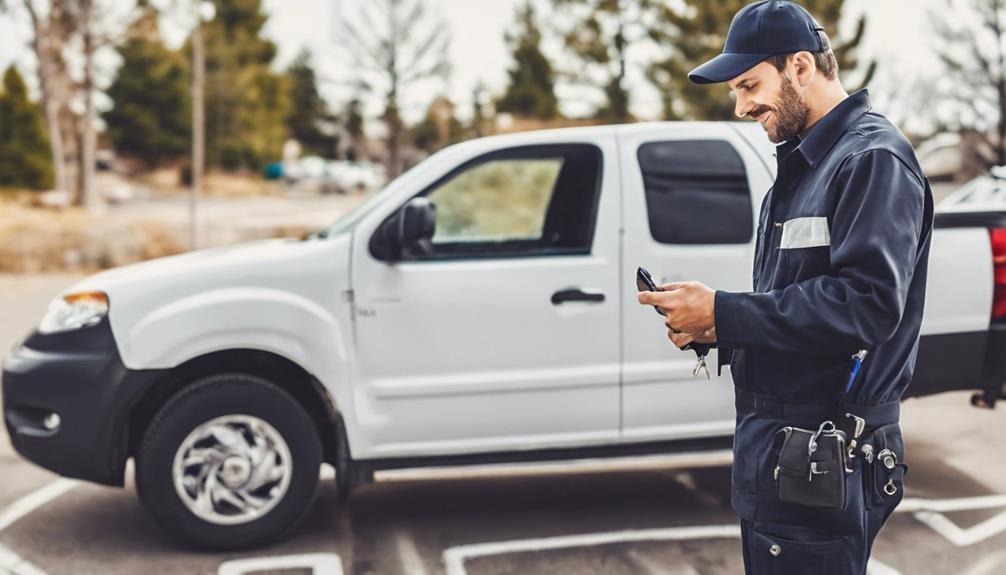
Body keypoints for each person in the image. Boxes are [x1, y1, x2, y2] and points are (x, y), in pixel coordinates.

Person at [636, 1, 934, 572]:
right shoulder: (800, 168)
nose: (742, 106)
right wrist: (711, 327)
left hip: (824, 452)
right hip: (783, 451)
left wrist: (725, 314)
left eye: (750, 85)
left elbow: (867, 307)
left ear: (800, 67)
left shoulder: (871, 159)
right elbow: (793, 308)